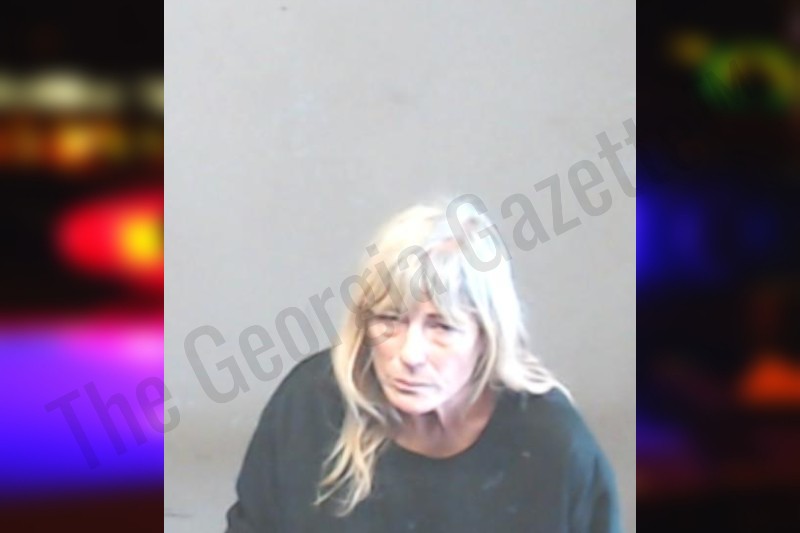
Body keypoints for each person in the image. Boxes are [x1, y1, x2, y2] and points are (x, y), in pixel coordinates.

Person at [225, 199, 621, 532]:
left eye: (441, 327)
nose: (410, 354)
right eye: (389, 320)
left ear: (487, 337)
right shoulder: (308, 406)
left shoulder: (553, 446)